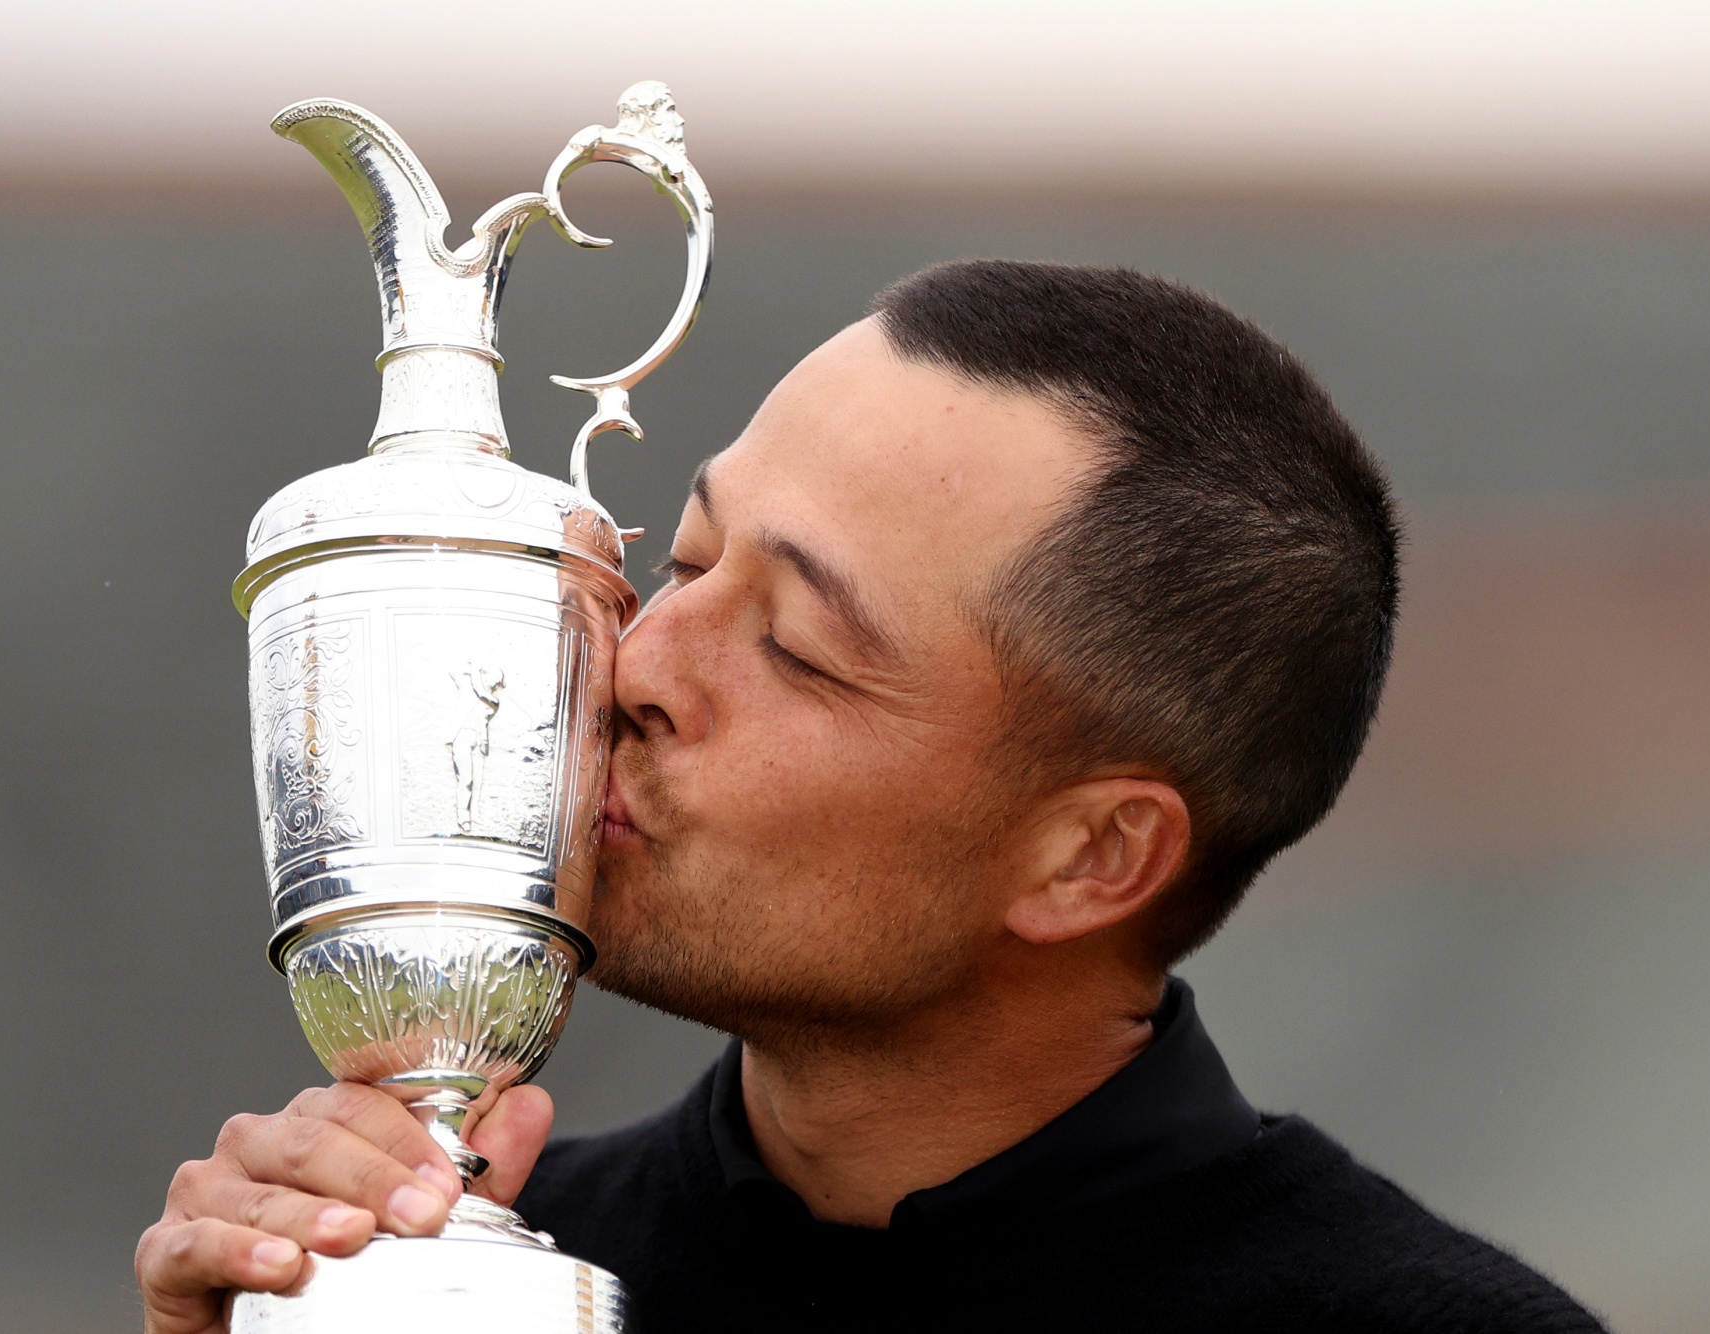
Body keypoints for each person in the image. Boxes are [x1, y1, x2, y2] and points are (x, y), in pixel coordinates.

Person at [137, 261, 1604, 1333]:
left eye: (795, 646)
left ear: (1092, 856)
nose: (638, 661)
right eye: (686, 559)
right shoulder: (488, 1262)